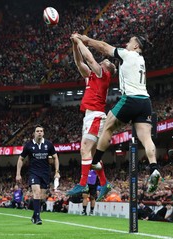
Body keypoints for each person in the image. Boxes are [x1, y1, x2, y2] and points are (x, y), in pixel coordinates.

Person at [74, 33, 161, 195]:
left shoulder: (127, 54)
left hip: (130, 99)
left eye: (130, 41)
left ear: (136, 46)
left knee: (108, 126)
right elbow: (81, 62)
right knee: (146, 138)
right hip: (146, 102)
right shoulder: (141, 61)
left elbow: (104, 47)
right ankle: (154, 168)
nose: (127, 43)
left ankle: (95, 160)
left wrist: (86, 40)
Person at [66, 34, 116, 201]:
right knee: (93, 158)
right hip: (89, 116)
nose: (103, 61)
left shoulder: (104, 75)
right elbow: (80, 62)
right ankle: (104, 183)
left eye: (107, 62)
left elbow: (89, 58)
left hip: (95, 116)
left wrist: (80, 40)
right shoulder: (92, 76)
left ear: (109, 69)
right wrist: (75, 45)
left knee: (84, 150)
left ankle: (83, 183)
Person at [16, 125, 60, 225]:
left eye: (41, 131)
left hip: (45, 173)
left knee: (42, 197)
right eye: (37, 131)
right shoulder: (28, 145)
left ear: (43, 133)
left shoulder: (48, 144)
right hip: (33, 173)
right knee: (36, 192)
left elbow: (56, 158)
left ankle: (34, 215)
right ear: (34, 133)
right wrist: (18, 173)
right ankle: (38, 218)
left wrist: (57, 171)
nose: (39, 132)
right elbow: (21, 159)